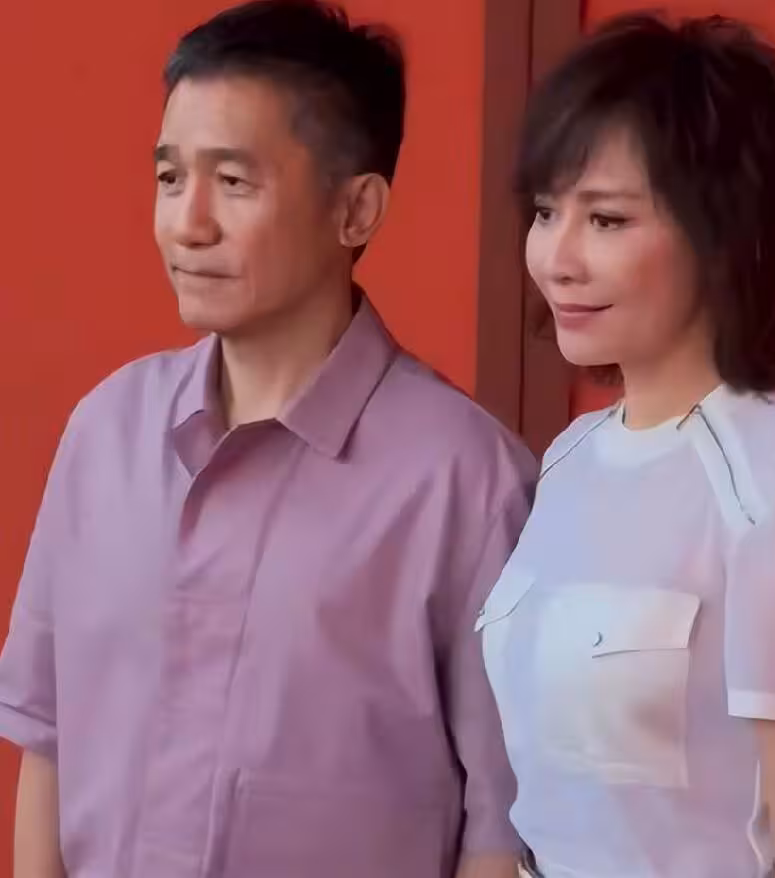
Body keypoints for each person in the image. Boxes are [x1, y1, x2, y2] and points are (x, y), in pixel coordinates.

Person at [0, 2, 536, 876]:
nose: (187, 223)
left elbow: (500, 827)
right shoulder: (107, 432)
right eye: (169, 177)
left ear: (356, 209)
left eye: (233, 182)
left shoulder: (468, 484)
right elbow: (46, 734)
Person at [477, 12, 775, 878]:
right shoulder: (569, 459)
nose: (557, 257)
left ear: (725, 237)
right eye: (546, 212)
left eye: (607, 220)